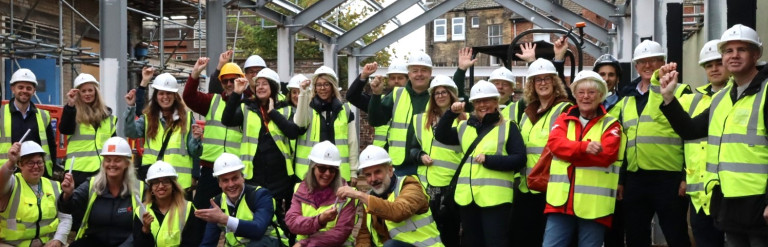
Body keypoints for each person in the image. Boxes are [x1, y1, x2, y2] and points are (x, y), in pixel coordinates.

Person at [659, 24, 768, 246]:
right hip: (729, 203)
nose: (734, 55)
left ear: (756, 54)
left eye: (742, 49)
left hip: (760, 205)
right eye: (728, 51)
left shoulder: (766, 91)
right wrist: (669, 98)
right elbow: (690, 130)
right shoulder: (721, 98)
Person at [616, 40, 691, 247]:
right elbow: (623, 143)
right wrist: (621, 180)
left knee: (676, 235)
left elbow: (689, 136)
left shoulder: (681, 91)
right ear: (636, 66)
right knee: (635, 236)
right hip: (635, 178)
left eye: (653, 60)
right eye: (642, 62)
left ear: (663, 62)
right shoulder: (626, 98)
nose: (647, 66)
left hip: (670, 179)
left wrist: (686, 176)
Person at [434, 81, 527, 247]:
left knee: (495, 242)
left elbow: (520, 159)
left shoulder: (508, 127)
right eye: (478, 101)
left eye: (487, 100)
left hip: (495, 199)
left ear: (496, 102)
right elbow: (441, 135)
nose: (482, 105)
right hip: (467, 199)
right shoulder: (465, 127)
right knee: (471, 242)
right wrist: (450, 113)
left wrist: (490, 160)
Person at [541, 71, 625, 246]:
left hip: (593, 207)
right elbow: (555, 145)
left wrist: (569, 153)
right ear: (575, 95)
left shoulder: (612, 124)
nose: (586, 97)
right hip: (560, 204)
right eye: (581, 92)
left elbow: (606, 156)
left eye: (591, 92)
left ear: (601, 95)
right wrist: (585, 147)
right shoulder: (563, 119)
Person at [221, 68, 299, 245]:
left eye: (265, 83)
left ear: (273, 86)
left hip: (280, 175)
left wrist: (273, 113)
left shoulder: (285, 108)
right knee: (259, 211)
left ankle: (282, 242)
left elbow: (292, 132)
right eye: (258, 84)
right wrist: (236, 94)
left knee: (280, 215)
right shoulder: (246, 107)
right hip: (254, 173)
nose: (260, 87)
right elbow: (227, 120)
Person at [367, 50, 474, 177]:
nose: (419, 74)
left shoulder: (438, 95)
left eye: (424, 70)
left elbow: (458, 96)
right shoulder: (397, 94)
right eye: (415, 70)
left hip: (431, 165)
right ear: (409, 74)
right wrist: (376, 95)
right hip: (401, 166)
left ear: (430, 73)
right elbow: (376, 121)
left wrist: (461, 70)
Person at [509, 58, 572, 246]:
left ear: (554, 82)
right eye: (538, 80)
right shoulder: (528, 113)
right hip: (525, 187)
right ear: (532, 85)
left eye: (547, 79)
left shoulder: (565, 109)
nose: (543, 83)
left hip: (550, 187)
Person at [337, 145, 443, 247]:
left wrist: (359, 194)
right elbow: (364, 234)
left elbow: (398, 212)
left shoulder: (410, 185)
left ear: (390, 170)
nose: (373, 179)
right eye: (368, 175)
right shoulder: (369, 197)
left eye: (377, 172)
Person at [410, 75, 465, 247]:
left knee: (450, 233)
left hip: (451, 186)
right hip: (428, 186)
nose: (440, 96)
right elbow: (412, 149)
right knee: (429, 232)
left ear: (452, 95)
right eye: (436, 93)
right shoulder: (421, 120)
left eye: (444, 92)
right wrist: (419, 156)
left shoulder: (464, 120)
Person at [183, 55, 245, 209]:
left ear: (241, 81)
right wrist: (195, 73)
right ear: (221, 83)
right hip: (211, 168)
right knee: (200, 212)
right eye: (225, 81)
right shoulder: (213, 101)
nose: (230, 84)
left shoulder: (248, 105)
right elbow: (189, 97)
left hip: (237, 169)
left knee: (238, 213)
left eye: (234, 80)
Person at [59, 137, 144, 247]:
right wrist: (68, 195)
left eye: (117, 160)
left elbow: (142, 230)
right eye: (108, 160)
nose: (112, 164)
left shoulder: (140, 189)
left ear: (127, 163)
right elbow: (68, 208)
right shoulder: (92, 185)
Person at [124, 72, 200, 189]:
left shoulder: (188, 119)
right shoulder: (147, 118)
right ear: (156, 96)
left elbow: (194, 151)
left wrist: (196, 140)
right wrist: (130, 107)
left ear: (175, 96)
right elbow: (130, 132)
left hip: (179, 183)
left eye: (169, 93)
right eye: (161, 93)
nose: (165, 97)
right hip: (154, 180)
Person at [294, 66, 359, 183]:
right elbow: (299, 123)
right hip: (310, 171)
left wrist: (353, 171)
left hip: (338, 172)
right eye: (319, 85)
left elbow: (352, 142)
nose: (322, 88)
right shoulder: (308, 108)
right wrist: (303, 93)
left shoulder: (345, 110)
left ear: (333, 86)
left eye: (326, 84)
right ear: (314, 87)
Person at [285, 141, 356, 247]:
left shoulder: (347, 195)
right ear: (313, 167)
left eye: (332, 169)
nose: (327, 173)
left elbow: (340, 233)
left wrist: (305, 243)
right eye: (322, 168)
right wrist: (319, 220)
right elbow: (292, 222)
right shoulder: (299, 189)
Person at [0, 141, 72, 246]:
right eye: (30, 163)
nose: (36, 166)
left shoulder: (54, 186)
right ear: (20, 164)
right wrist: (10, 163)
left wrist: (58, 239)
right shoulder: (11, 184)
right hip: (12, 244)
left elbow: (65, 216)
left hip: (46, 243)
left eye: (39, 162)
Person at [196, 153, 275, 247]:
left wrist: (225, 219)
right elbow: (208, 243)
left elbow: (258, 230)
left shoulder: (260, 195)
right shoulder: (217, 203)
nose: (231, 184)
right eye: (225, 180)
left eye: (235, 178)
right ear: (219, 183)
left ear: (243, 177)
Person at [59, 73, 117, 187]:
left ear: (96, 91)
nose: (87, 94)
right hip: (78, 171)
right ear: (78, 93)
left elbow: (114, 143)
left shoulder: (107, 116)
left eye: (90, 90)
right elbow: (65, 129)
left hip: (102, 170)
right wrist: (70, 105)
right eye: (83, 91)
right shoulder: (72, 112)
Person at [0, 68, 57, 178]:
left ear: (34, 90)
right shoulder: (1, 113)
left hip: (37, 175)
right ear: (13, 89)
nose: (24, 91)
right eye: (20, 87)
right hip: (8, 175)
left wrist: (50, 169)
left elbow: (51, 146)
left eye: (28, 88)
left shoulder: (44, 116)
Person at [133, 161, 204, 246]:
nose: (161, 186)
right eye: (156, 182)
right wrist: (145, 230)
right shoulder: (141, 211)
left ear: (173, 185)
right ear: (151, 188)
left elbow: (193, 242)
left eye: (166, 181)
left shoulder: (187, 208)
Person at [346, 60, 409, 148]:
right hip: (380, 155)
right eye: (392, 78)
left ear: (407, 80)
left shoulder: (412, 103)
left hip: (402, 156)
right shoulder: (378, 101)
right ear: (388, 80)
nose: (396, 81)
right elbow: (352, 96)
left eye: (400, 78)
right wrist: (364, 76)